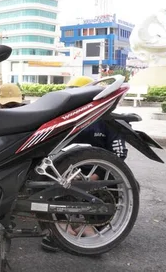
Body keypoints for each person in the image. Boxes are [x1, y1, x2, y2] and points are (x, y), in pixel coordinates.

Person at [40, 75, 128, 252]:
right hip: (64, 174)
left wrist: (96, 177)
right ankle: (58, 227)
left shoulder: (110, 122)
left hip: (100, 176)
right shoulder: (64, 121)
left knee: (123, 186)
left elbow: (118, 155)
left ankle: (87, 225)